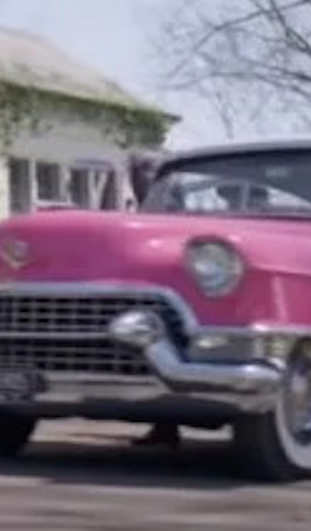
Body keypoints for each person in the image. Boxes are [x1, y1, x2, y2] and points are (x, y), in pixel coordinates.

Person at [124, 150, 183, 449]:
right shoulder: (145, 208)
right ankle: (163, 425)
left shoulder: (172, 207)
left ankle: (166, 425)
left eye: (146, 171)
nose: (140, 177)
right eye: (136, 172)